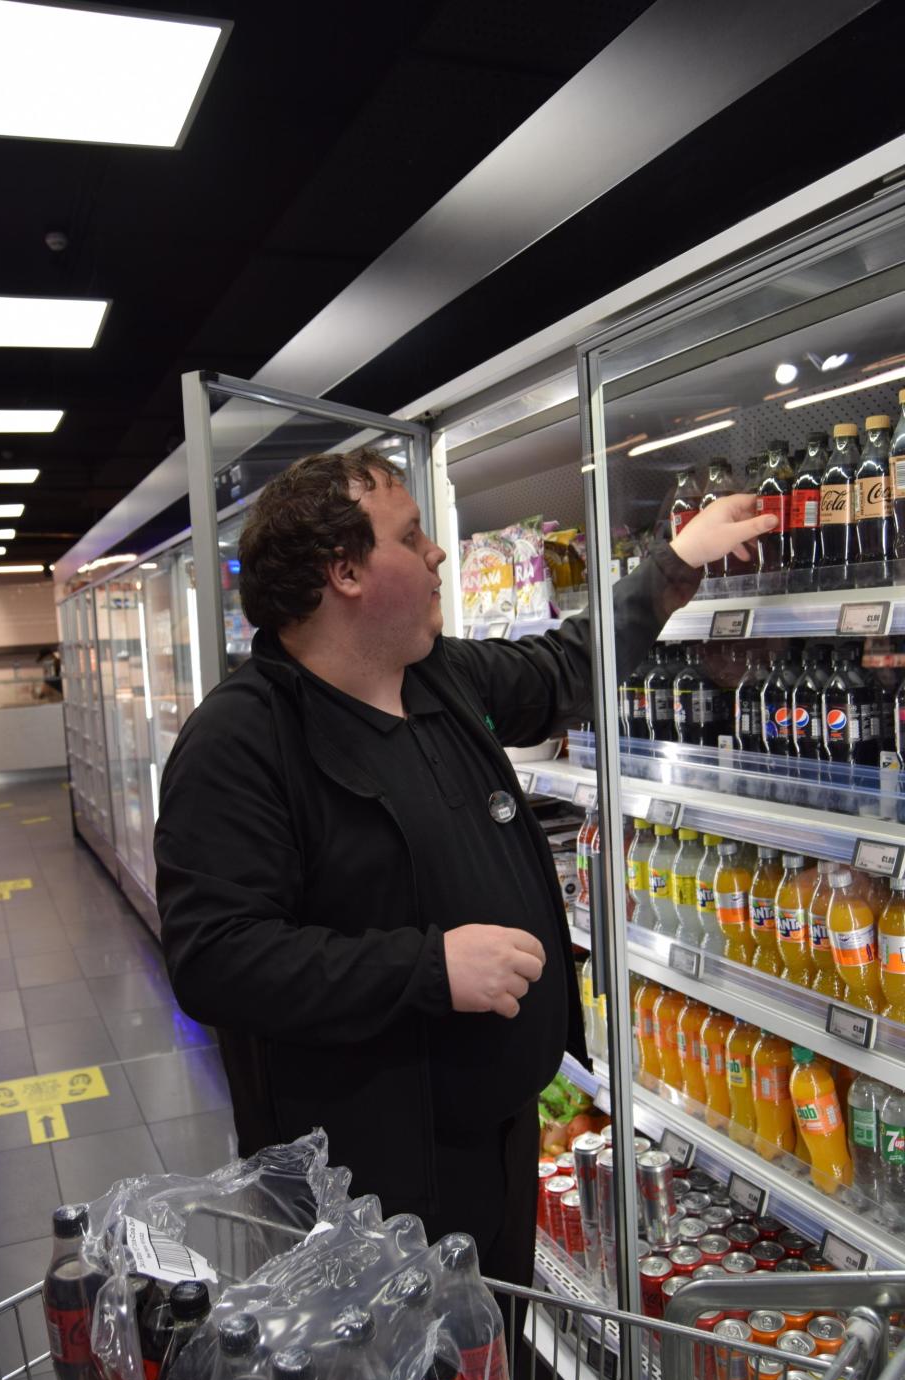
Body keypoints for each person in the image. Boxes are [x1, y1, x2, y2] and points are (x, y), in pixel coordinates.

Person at [154, 447, 775, 1285]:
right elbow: (216, 957)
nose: (438, 552)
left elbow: (564, 668)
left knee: (490, 1369)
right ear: (345, 571)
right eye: (412, 537)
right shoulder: (242, 740)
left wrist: (672, 566)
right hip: (368, 1179)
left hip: (495, 1131)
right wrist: (428, 966)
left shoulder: (434, 677)